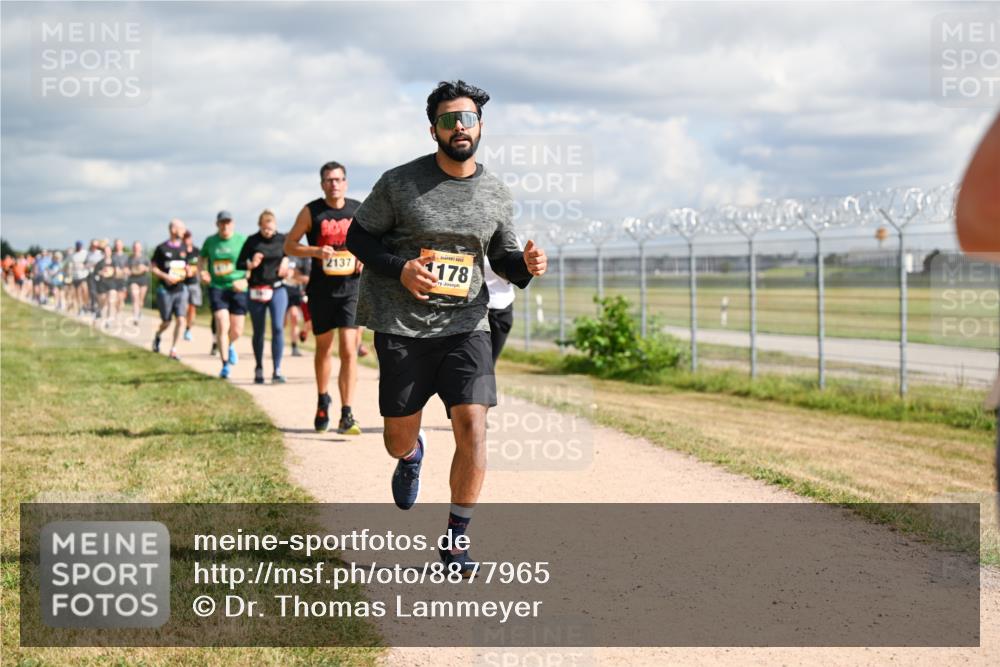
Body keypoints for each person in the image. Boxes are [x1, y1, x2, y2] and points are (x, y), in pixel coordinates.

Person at [346, 80, 547, 574]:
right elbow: (358, 237)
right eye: (448, 119)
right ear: (432, 128)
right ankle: (411, 453)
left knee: (474, 425)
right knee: (396, 437)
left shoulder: (497, 191)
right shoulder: (399, 183)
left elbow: (499, 258)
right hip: (403, 325)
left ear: (480, 125)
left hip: (468, 324)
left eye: (468, 118)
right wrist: (401, 268)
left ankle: (457, 538)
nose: (459, 127)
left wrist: (525, 265)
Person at [283, 162, 364, 435]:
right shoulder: (311, 211)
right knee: (324, 349)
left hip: (352, 289)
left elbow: (373, 241)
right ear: (322, 184)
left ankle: (347, 412)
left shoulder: (358, 209)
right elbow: (289, 244)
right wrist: (317, 252)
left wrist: (364, 258)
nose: (334, 184)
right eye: (329, 180)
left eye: (339, 179)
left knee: (349, 350)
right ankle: (322, 398)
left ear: (346, 182)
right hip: (321, 290)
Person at [238, 209, 290, 384]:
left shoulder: (282, 239)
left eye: (270, 228)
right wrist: (251, 264)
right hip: (257, 289)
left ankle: (277, 369)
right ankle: (259, 367)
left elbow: (291, 256)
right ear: (260, 226)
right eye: (265, 229)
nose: (268, 232)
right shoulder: (252, 241)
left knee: (277, 327)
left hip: (277, 288)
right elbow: (239, 263)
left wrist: (286, 261)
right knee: (258, 331)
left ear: (275, 225)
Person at [200, 210, 248, 379]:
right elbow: (201, 258)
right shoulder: (211, 241)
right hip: (217, 287)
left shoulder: (242, 240)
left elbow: (251, 264)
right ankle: (225, 365)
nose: (225, 225)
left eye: (228, 222)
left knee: (237, 330)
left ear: (233, 223)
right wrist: (203, 272)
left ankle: (230, 344)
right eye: (222, 222)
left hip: (237, 288)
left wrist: (245, 280)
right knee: (222, 322)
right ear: (217, 224)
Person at [150, 219, 190, 359]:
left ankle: (174, 349)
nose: (184, 231)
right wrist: (165, 276)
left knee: (181, 319)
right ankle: (158, 335)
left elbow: (187, 266)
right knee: (166, 321)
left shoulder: (185, 248)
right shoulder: (161, 248)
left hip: (180, 289)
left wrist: (188, 270)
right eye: (181, 228)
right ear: (173, 229)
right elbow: (153, 267)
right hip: (165, 290)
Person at [484, 257, 516, 365]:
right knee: (474, 363)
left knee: (489, 364)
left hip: (502, 308)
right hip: (473, 309)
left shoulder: (512, 240)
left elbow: (520, 267)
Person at [283, 254, 309, 357]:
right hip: (281, 290)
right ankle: (278, 342)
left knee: (294, 317)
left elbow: (307, 278)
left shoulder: (303, 257)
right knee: (282, 322)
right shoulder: (282, 254)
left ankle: (294, 347)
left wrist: (294, 275)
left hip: (295, 292)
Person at [181, 230, 202, 342]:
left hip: (194, 282)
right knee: (184, 307)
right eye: (184, 238)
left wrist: (193, 270)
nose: (186, 240)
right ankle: (182, 324)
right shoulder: (180, 251)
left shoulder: (197, 251)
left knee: (192, 308)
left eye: (188, 237)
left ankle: (188, 329)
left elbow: (200, 265)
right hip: (182, 283)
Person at [127, 241, 150, 324]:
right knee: (134, 296)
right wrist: (128, 271)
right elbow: (126, 268)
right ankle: (135, 317)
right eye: (135, 247)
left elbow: (150, 268)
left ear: (140, 248)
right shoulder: (130, 258)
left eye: (137, 247)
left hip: (143, 279)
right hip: (133, 279)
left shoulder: (145, 258)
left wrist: (144, 268)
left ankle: (139, 311)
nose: (136, 249)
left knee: (140, 300)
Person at [69, 241, 90, 315]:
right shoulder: (73, 255)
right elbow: (70, 265)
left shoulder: (85, 253)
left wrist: (84, 266)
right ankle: (80, 308)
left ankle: (86, 305)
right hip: (75, 276)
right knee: (78, 293)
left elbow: (88, 262)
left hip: (83, 275)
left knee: (85, 290)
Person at [111, 239, 129, 321]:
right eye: (117, 244)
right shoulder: (112, 256)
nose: (118, 246)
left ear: (122, 245)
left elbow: (129, 268)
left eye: (119, 244)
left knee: (121, 299)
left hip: (123, 280)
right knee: (115, 298)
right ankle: (115, 313)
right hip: (114, 280)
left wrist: (124, 271)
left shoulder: (126, 256)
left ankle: (119, 313)